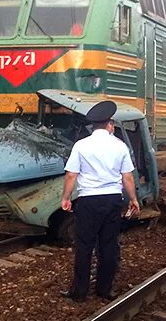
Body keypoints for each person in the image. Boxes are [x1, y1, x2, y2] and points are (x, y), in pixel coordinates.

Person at [60, 101, 140, 302]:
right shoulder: (119, 146)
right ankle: (104, 290)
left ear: (93, 126)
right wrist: (133, 199)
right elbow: (127, 177)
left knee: (84, 246)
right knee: (109, 246)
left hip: (88, 201)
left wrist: (66, 198)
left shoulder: (81, 145)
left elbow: (71, 175)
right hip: (112, 200)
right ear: (110, 125)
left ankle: (79, 292)